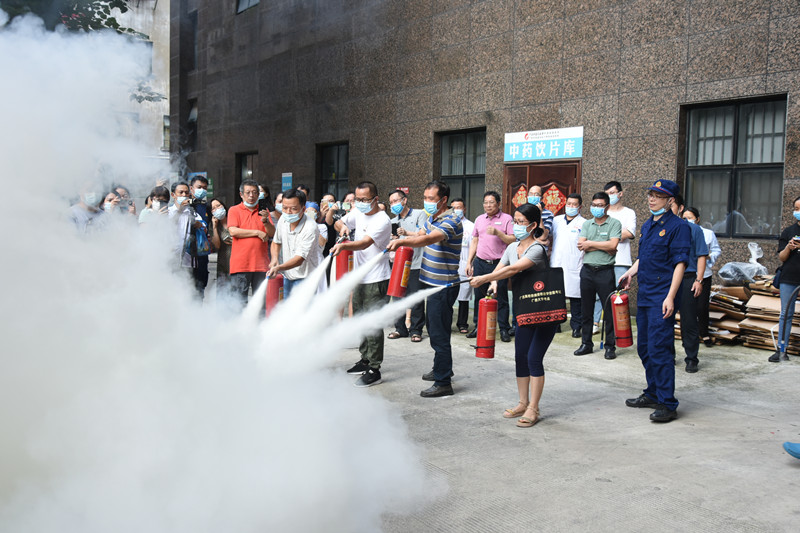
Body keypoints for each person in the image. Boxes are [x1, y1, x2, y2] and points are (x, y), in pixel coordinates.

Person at [470, 203, 554, 427]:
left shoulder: (537, 249)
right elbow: (501, 266)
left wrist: (485, 278)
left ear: (533, 225)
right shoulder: (512, 247)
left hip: (544, 312)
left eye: (520, 223)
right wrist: (494, 281)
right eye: (515, 221)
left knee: (534, 358)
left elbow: (514, 269)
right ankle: (522, 402)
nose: (515, 226)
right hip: (524, 310)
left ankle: (534, 409)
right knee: (520, 357)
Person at [619, 179, 690, 423]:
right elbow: (644, 258)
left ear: (670, 200)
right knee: (645, 348)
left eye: (658, 196)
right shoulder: (649, 224)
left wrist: (671, 296)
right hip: (647, 294)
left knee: (660, 348)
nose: (652, 199)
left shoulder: (679, 227)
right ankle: (653, 392)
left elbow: (680, 264)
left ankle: (668, 403)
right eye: (650, 194)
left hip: (663, 295)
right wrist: (630, 273)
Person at [387, 180, 462, 397]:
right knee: (436, 330)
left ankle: (443, 382)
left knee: (439, 334)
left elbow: (429, 238)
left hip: (443, 285)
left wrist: (402, 243)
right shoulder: (433, 217)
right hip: (431, 282)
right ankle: (441, 368)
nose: (427, 202)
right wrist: (403, 236)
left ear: (443, 200)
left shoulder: (451, 221)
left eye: (431, 199)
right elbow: (421, 234)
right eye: (425, 198)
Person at [330, 181, 392, 388]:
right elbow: (337, 222)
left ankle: (374, 368)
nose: (361, 203)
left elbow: (365, 242)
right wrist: (343, 227)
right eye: (358, 199)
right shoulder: (358, 212)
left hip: (376, 278)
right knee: (359, 318)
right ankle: (364, 359)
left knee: (372, 323)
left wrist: (345, 245)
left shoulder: (382, 220)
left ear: (375, 198)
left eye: (365, 200)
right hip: (359, 277)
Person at [575, 192, 621, 359]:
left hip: (605, 271)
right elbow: (581, 245)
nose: (596, 208)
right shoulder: (587, 224)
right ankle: (586, 343)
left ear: (607, 207)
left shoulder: (614, 224)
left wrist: (591, 244)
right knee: (585, 309)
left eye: (600, 205)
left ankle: (610, 346)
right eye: (594, 204)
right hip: (587, 271)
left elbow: (613, 245)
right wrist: (604, 246)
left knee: (609, 311)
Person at [466, 191, 514, 343]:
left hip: (499, 264)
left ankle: (504, 328)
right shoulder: (479, 219)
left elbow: (512, 240)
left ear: (498, 204)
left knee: (500, 297)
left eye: (491, 202)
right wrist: (469, 261)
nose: (488, 205)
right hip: (480, 262)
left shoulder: (507, 219)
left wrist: (498, 233)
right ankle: (478, 326)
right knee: (479, 297)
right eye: (485, 202)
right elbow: (475, 241)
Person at [671, 194, 709, 373]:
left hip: (688, 278)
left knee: (688, 320)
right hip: (666, 280)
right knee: (665, 319)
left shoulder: (694, 230)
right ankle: (668, 354)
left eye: (671, 205)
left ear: (680, 208)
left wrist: (699, 280)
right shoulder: (659, 228)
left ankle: (691, 357)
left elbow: (702, 255)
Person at [387, 189, 428, 341]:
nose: (393, 205)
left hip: (416, 263)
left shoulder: (419, 214)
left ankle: (416, 330)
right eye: (391, 203)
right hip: (398, 264)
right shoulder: (392, 221)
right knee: (398, 297)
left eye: (396, 201)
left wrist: (406, 233)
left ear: (404, 200)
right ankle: (400, 329)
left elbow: (423, 234)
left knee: (415, 298)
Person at [227, 179, 275, 306]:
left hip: (261, 264)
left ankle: (258, 325)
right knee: (239, 301)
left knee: (260, 301)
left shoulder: (264, 211)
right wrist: (257, 232)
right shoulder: (234, 210)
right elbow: (233, 231)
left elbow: (271, 233)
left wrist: (265, 221)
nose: (251, 196)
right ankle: (239, 325)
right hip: (241, 264)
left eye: (254, 192)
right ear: (241, 194)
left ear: (259, 194)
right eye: (248, 192)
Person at [268, 189, 319, 298]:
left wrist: (278, 268)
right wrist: (274, 259)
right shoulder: (283, 219)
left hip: (305, 279)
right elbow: (276, 242)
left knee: (303, 313)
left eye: (293, 209)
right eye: (285, 208)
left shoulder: (310, 227)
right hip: (287, 276)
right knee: (287, 310)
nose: (288, 212)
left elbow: (299, 259)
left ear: (303, 209)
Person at [683, 207, 721, 347]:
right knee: (687, 308)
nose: (687, 221)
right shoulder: (681, 232)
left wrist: (709, 257)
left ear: (697, 219)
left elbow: (716, 250)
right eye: (684, 218)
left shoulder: (708, 233)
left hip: (704, 275)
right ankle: (690, 334)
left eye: (690, 217)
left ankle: (704, 332)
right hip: (687, 275)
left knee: (702, 306)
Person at [551, 193, 586, 338]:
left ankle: (576, 326)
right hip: (556, 262)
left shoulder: (584, 223)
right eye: (568, 204)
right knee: (556, 297)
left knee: (575, 298)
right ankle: (556, 324)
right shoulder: (556, 220)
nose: (570, 207)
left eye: (574, 204)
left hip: (574, 264)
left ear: (580, 207)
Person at [771, 195, 800, 363]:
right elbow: (782, 257)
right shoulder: (788, 231)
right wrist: (789, 247)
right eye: (796, 209)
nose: (798, 212)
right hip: (789, 278)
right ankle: (781, 349)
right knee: (785, 314)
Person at [168, 181, 205, 278]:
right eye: (181, 192)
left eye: (186, 192)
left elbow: (204, 229)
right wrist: (180, 210)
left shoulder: (192, 212)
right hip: (171, 258)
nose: (184, 195)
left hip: (188, 260)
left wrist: (199, 225)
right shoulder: (169, 212)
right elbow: (167, 226)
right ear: (173, 195)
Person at [451, 198, 474, 334]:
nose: (456, 210)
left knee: (464, 297)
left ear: (464, 209)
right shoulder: (447, 224)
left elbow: (474, 245)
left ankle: (462, 323)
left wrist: (470, 263)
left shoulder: (471, 226)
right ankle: (447, 322)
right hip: (450, 265)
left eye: (459, 207)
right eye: (453, 208)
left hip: (465, 263)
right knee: (448, 297)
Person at [188, 175, 212, 298]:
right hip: (187, 255)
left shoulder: (206, 207)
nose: (202, 190)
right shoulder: (185, 205)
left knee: (199, 291)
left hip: (202, 254)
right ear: (191, 188)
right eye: (199, 187)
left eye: (204, 188)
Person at [210, 198, 232, 294]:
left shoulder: (234, 219)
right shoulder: (214, 226)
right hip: (223, 264)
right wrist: (214, 227)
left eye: (218, 205)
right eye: (213, 208)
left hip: (237, 263)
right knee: (222, 294)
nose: (217, 209)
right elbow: (217, 245)